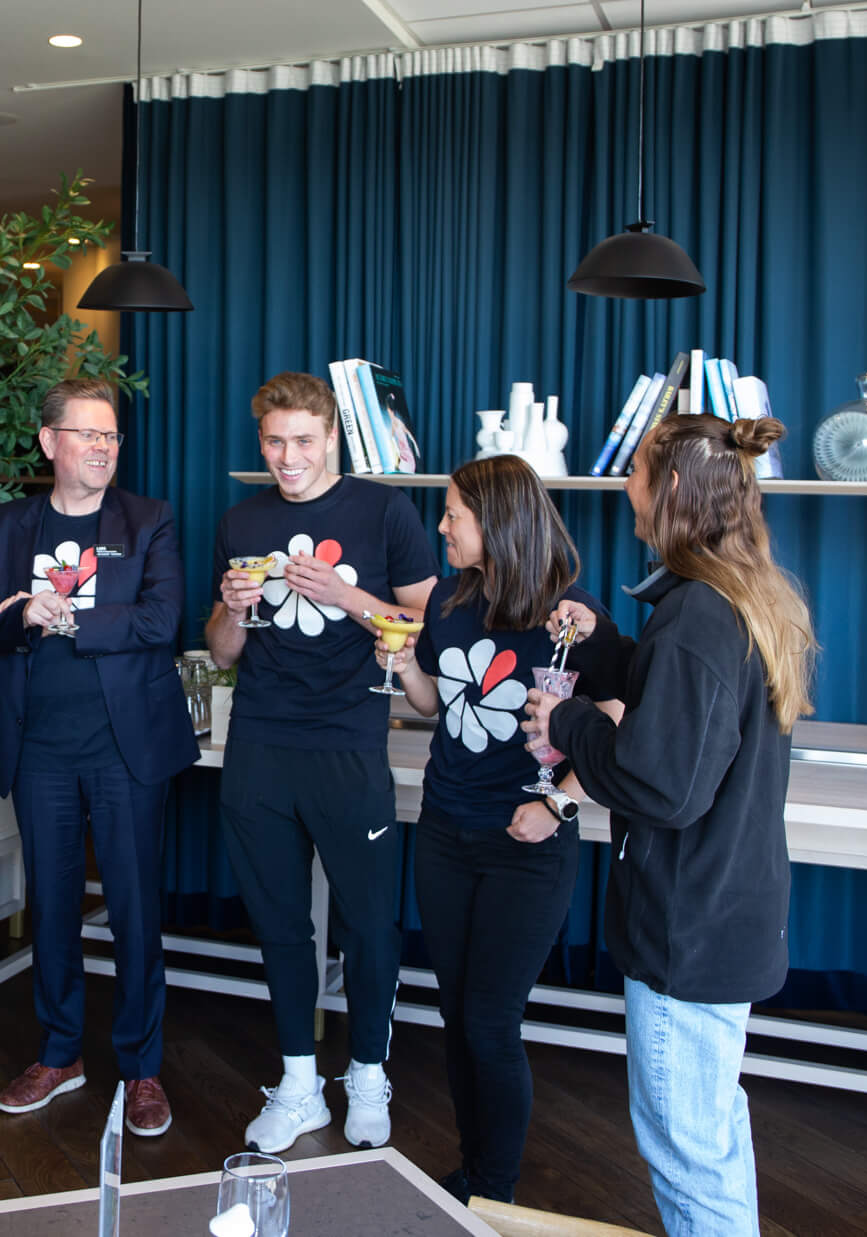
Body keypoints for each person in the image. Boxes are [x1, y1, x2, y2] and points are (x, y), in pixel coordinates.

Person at [523, 414, 815, 1237]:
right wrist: (606, 644)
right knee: (713, 1143)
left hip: (687, 934)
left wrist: (571, 719)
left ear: (674, 489)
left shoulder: (695, 617)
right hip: (728, 918)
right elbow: (682, 720)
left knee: (689, 1161)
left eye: (638, 472)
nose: (627, 487)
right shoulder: (742, 597)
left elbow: (661, 783)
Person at [0, 379, 198, 1137]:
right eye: (88, 434)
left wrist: (72, 620)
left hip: (126, 749)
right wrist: (22, 612)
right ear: (49, 441)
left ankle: (142, 1067)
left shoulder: (148, 519)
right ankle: (59, 1053)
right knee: (51, 908)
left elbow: (163, 618)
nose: (103, 448)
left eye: (112, 437)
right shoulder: (5, 526)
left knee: (133, 910)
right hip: (41, 750)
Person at [206, 371, 437, 1153]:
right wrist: (230, 611)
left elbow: (427, 624)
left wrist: (347, 594)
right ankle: (300, 1082)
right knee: (278, 923)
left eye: (303, 440)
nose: (288, 456)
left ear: (332, 436)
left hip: (348, 742)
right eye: (274, 441)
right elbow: (222, 650)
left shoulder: (385, 510)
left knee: (370, 924)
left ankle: (367, 1073)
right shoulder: (242, 517)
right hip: (261, 743)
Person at [375, 455, 614, 1204]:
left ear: (499, 523)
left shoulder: (570, 614)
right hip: (447, 830)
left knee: (489, 1021)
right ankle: (473, 1172)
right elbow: (438, 705)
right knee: (456, 1014)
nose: (440, 527)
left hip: (525, 849)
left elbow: (617, 720)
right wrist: (406, 665)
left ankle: (496, 1192)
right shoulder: (448, 596)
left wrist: (557, 806)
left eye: (453, 515)